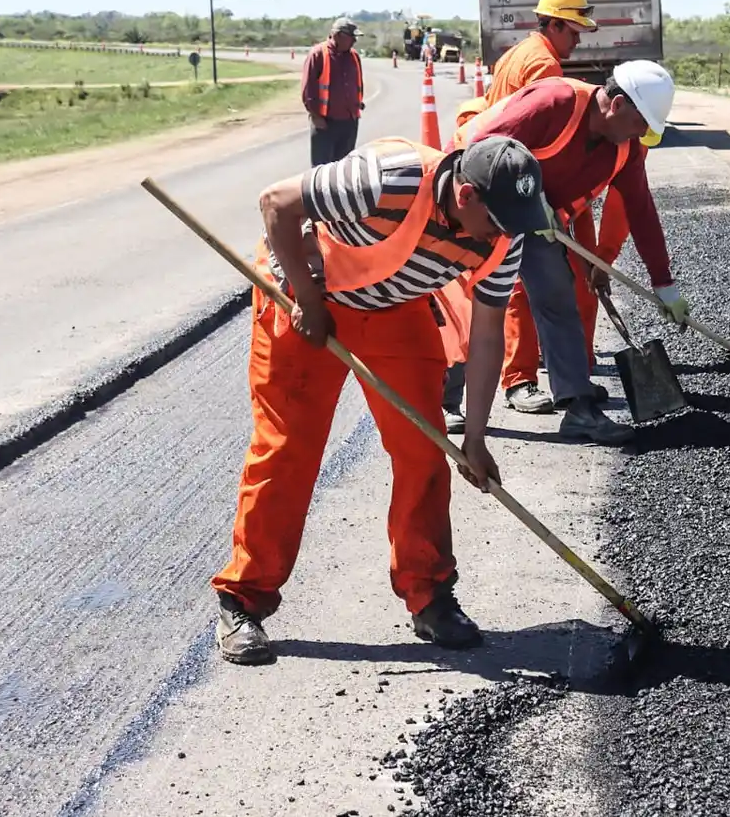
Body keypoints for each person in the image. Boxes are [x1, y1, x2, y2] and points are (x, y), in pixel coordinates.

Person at [210, 132, 550, 666]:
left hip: (395, 306)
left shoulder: (505, 233)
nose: (503, 235)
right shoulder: (387, 179)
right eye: (498, 220)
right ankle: (243, 599)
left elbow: (487, 338)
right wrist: (307, 296)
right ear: (466, 197)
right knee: (288, 449)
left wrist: (478, 439)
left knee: (425, 449)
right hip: (307, 291)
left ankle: (429, 594)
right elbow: (275, 202)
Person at [446, 61, 686, 446]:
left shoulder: (625, 149)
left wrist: (664, 282)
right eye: (643, 122)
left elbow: (640, 209)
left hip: (535, 219)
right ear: (618, 104)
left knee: (558, 295)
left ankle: (579, 409)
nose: (644, 133)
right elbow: (479, 151)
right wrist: (525, 195)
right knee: (465, 303)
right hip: (475, 200)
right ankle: (447, 400)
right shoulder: (555, 102)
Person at [441, 0, 605, 423]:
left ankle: (560, 386)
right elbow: (535, 137)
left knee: (525, 285)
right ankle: (517, 381)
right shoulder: (543, 65)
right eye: (573, 30)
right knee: (510, 286)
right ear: (552, 23)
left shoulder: (520, 52)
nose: (578, 40)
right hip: (500, 186)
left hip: (496, 178)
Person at [301, 17, 365, 166]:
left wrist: (357, 104)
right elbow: (308, 90)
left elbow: (357, 84)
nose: (354, 41)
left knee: (344, 169)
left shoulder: (354, 56)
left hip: (349, 122)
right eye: (352, 37)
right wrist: (316, 116)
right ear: (338, 35)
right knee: (322, 170)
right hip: (325, 123)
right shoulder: (318, 54)